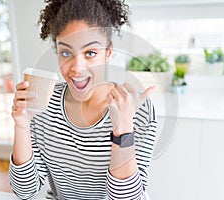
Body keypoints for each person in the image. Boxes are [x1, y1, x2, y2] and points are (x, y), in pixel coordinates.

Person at [9, 0, 157, 199]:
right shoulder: (44, 103)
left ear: (108, 53)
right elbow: (24, 191)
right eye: (66, 52)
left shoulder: (137, 109)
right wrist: (22, 126)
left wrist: (122, 129)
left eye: (90, 53)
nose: (77, 68)